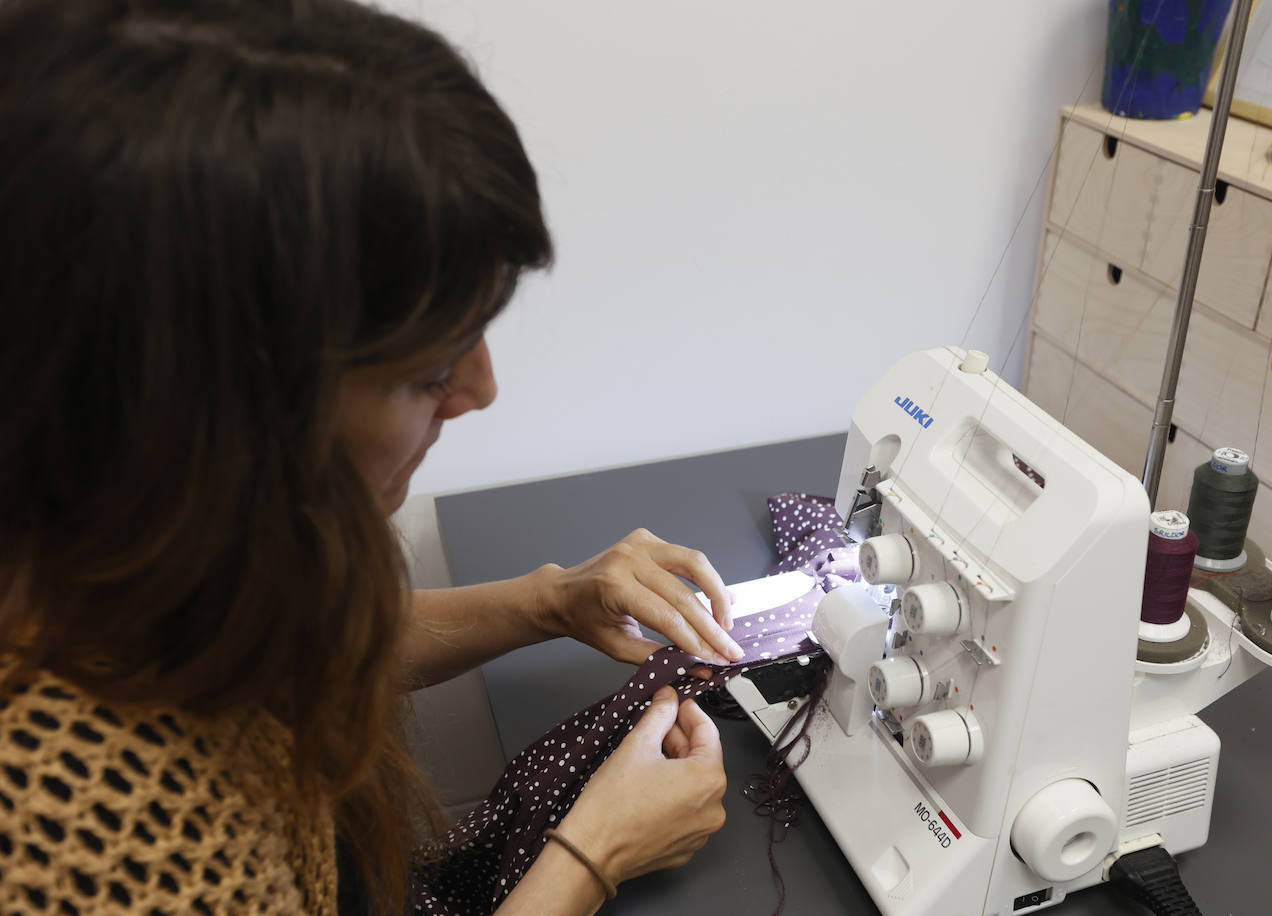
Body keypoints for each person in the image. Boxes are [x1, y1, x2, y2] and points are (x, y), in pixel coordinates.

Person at [0, 0, 745, 913]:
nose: (480, 389)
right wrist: (591, 857)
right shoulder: (88, 825)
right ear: (224, 402)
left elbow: (271, 654)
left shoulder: (124, 546)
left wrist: (548, 599)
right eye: (428, 366)